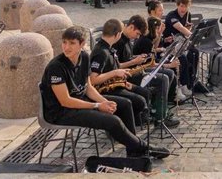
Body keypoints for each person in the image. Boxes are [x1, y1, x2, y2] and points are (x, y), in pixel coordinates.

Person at [40, 26, 169, 159]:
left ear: (82, 44)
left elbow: (88, 87)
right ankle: (141, 147)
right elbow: (65, 101)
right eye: (64, 42)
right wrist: (97, 106)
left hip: (80, 100)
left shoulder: (84, 57)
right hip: (61, 112)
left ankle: (133, 150)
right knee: (113, 121)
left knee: (125, 104)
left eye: (72, 43)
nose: (66, 47)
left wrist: (104, 101)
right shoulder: (56, 66)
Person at [90, 18, 153, 128]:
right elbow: (93, 79)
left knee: (143, 96)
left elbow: (115, 66)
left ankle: (132, 125)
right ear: (118, 34)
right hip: (105, 89)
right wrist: (115, 72)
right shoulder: (101, 52)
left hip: (115, 84)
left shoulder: (108, 48)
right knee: (136, 102)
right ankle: (124, 129)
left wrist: (121, 75)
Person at [163, 0, 200, 95]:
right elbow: (180, 28)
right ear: (177, 5)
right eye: (182, 6)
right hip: (169, 44)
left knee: (194, 52)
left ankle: (192, 81)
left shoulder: (188, 14)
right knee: (182, 57)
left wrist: (189, 29)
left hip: (181, 42)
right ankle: (183, 85)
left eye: (186, 6)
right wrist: (192, 35)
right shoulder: (172, 15)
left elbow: (185, 30)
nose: (184, 9)